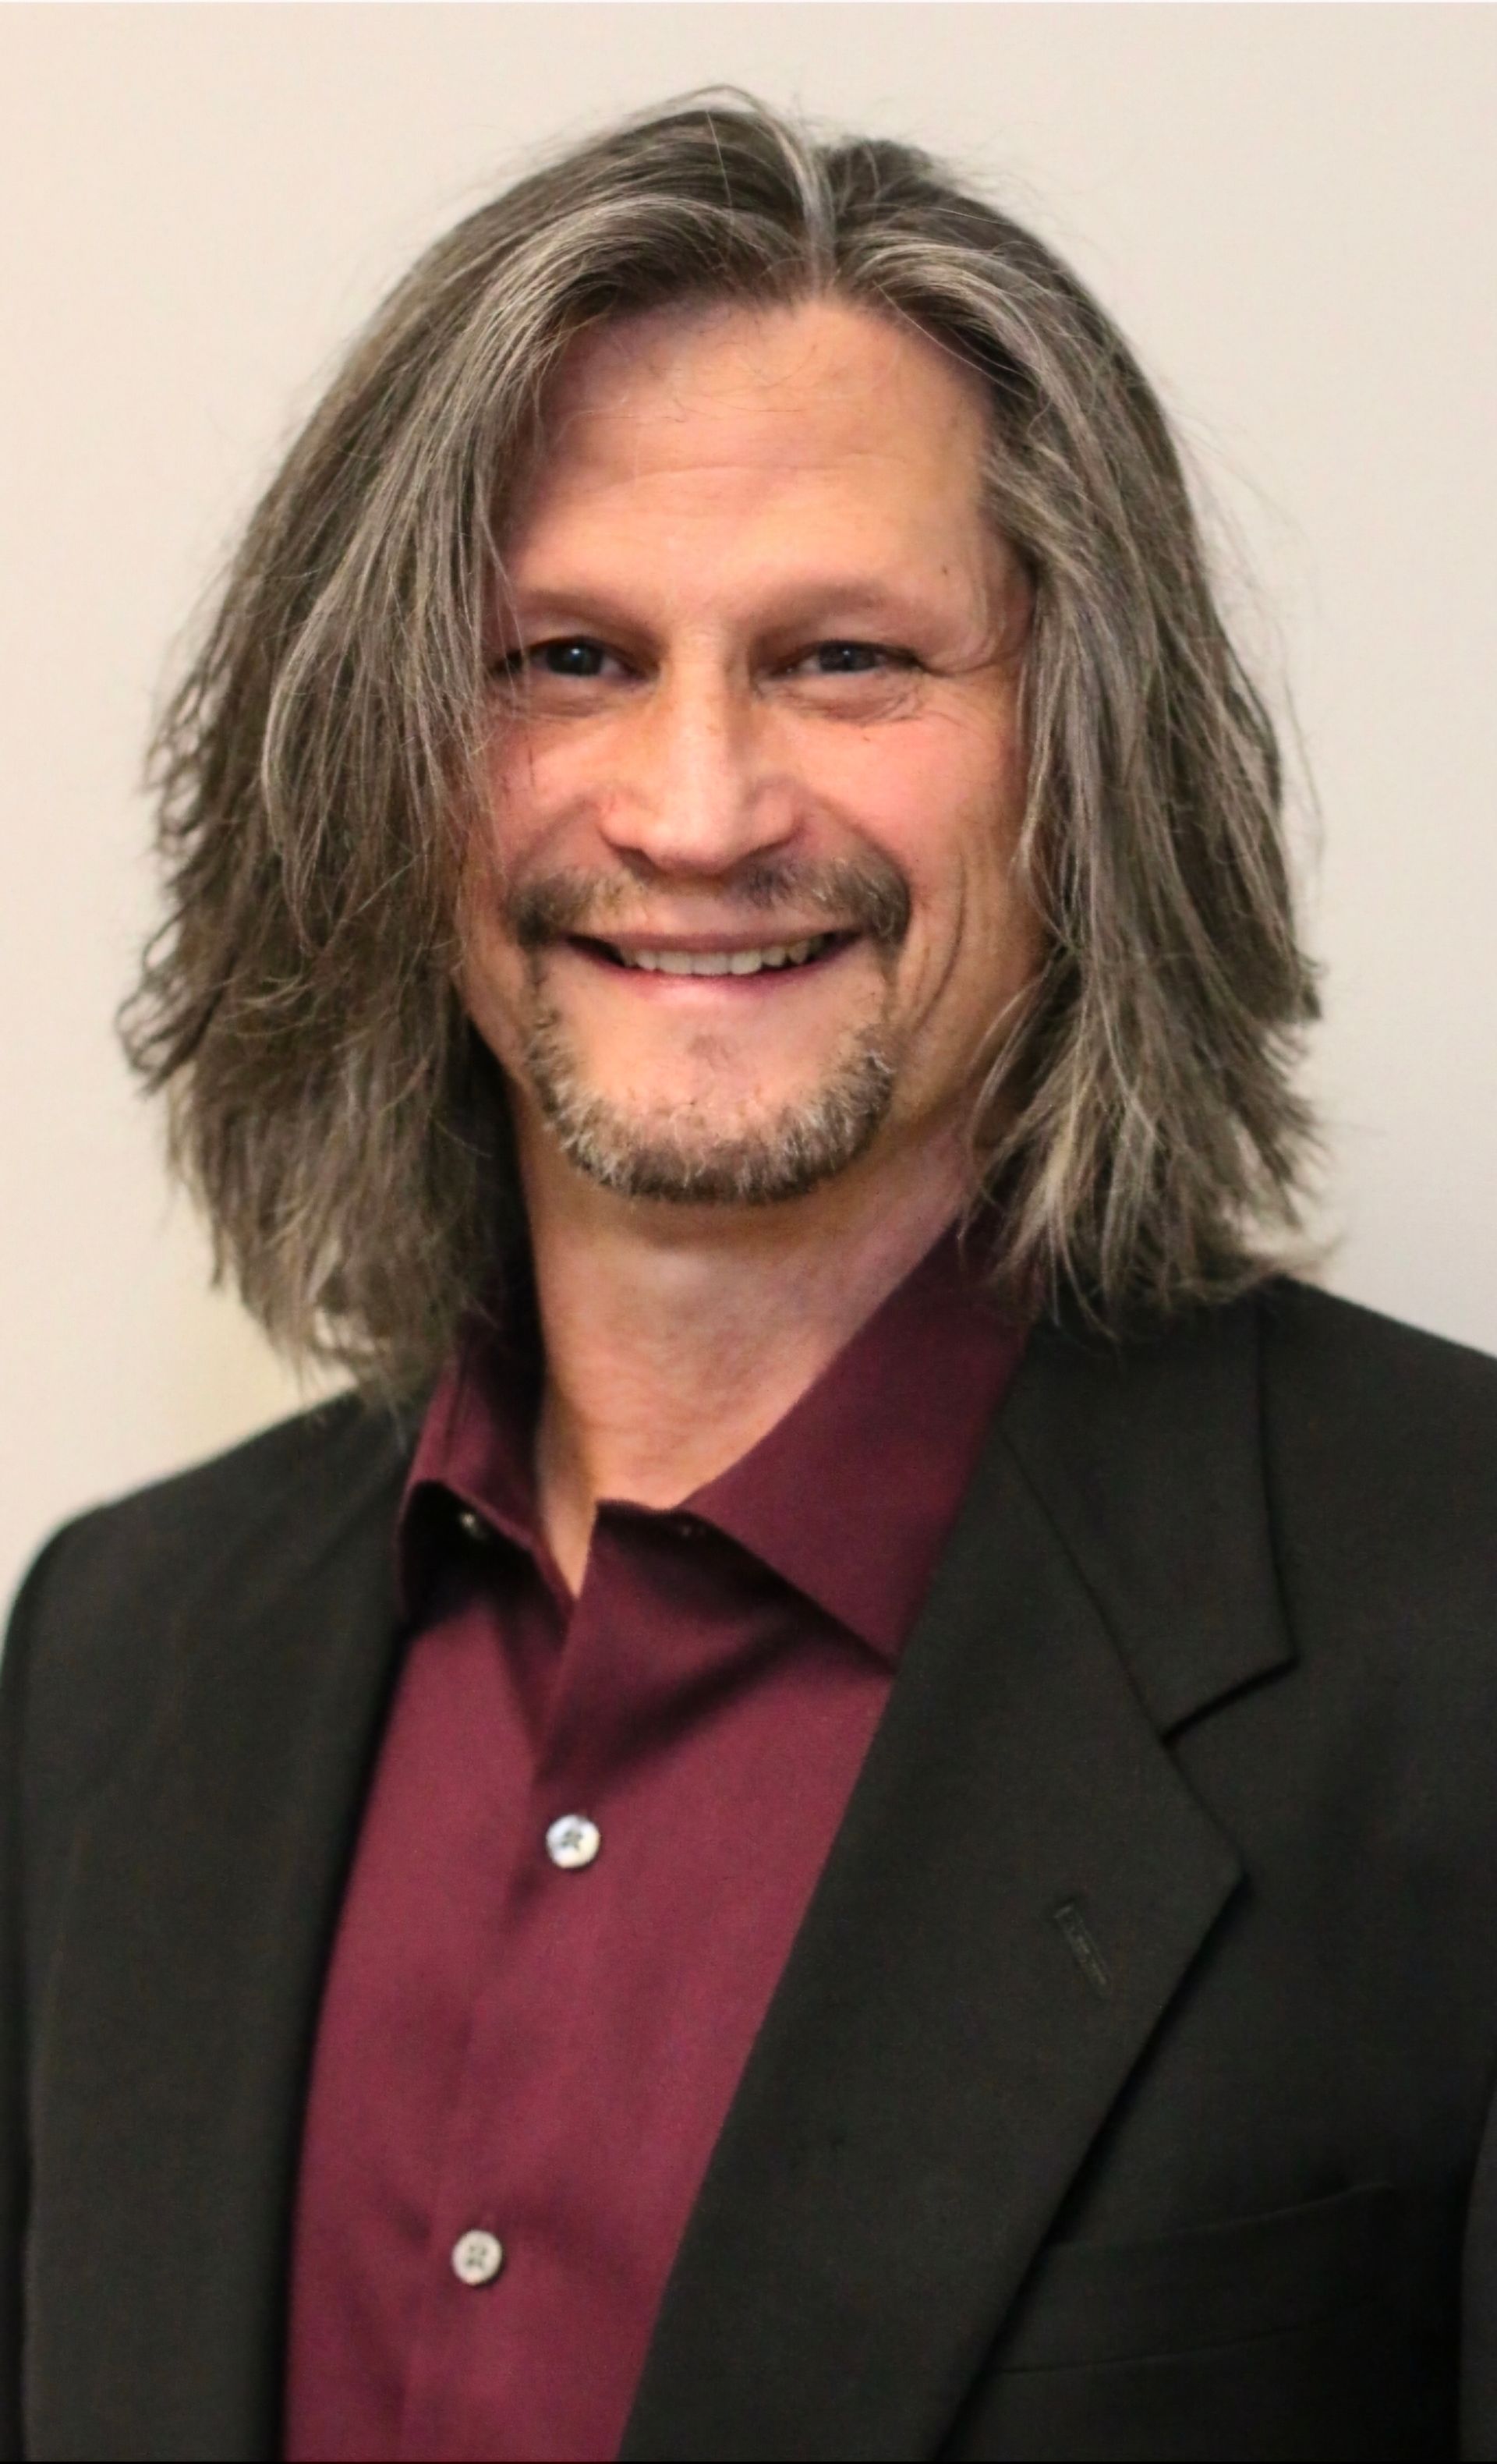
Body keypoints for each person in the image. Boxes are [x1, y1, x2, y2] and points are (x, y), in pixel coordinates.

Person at [3, 91, 1495, 2464]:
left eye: (846, 662)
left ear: (1081, 765)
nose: (699, 814)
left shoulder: (1459, 1636)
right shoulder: (109, 1665)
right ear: (379, 761)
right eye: (571, 658)